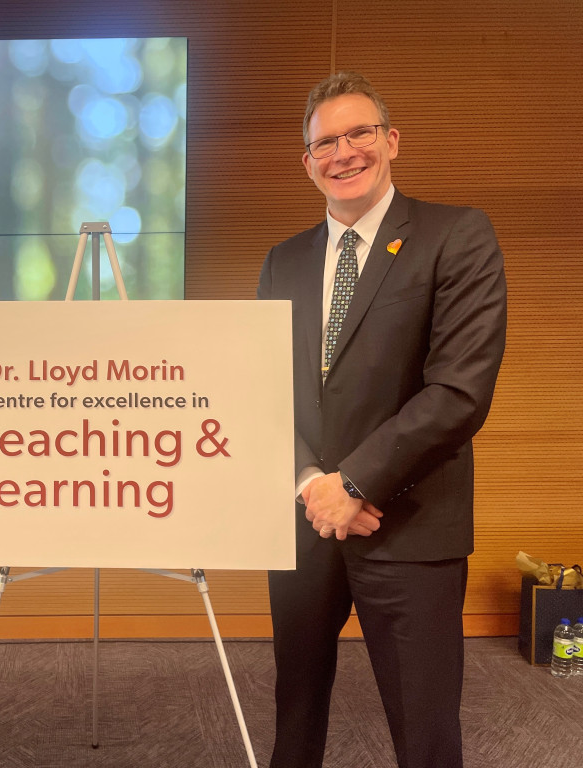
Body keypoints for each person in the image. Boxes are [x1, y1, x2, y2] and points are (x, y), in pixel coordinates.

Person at [257, 73, 506, 768]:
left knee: (425, 734)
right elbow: (264, 390)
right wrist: (313, 484)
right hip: (306, 523)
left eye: (358, 133)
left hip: (410, 524)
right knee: (294, 717)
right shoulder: (282, 262)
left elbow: (459, 390)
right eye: (324, 143)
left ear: (390, 140)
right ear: (307, 162)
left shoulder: (455, 235)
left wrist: (357, 483)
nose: (343, 152)